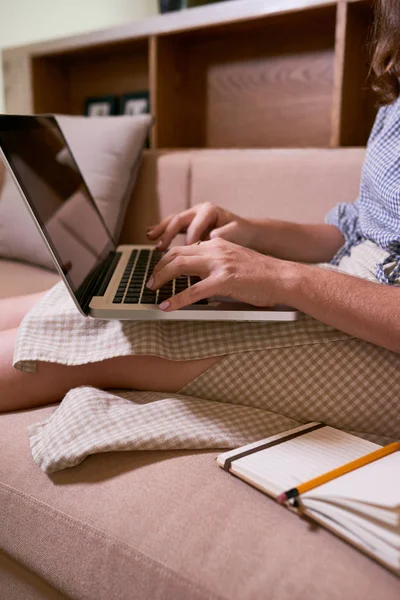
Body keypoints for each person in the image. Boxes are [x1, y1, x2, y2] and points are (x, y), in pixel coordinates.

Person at [0, 0, 399, 443]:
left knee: (102, 330)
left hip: (381, 344)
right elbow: (357, 231)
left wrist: (280, 275)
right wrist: (251, 231)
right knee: (81, 293)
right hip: (345, 290)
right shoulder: (394, 98)